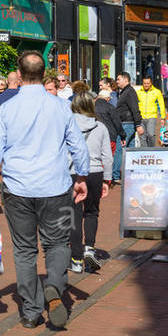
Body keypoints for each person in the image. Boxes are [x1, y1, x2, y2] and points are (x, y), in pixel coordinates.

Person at [0, 51, 90, 330]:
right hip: (55, 187)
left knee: (24, 250)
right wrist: (81, 176)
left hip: (18, 188)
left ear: (19, 75)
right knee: (56, 243)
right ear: (44, 75)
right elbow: (78, 145)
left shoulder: (7, 109)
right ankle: (54, 285)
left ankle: (31, 311)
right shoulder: (60, 107)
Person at [69, 87, 112, 275]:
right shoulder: (100, 127)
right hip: (95, 172)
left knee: (74, 215)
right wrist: (107, 179)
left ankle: (76, 259)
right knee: (92, 212)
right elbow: (107, 156)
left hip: (72, 172)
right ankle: (90, 248)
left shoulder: (68, 125)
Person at [113, 72, 144, 178]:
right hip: (127, 123)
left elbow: (135, 109)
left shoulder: (129, 92)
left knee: (119, 148)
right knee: (130, 148)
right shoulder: (124, 92)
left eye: (118, 79)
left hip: (128, 123)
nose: (117, 81)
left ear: (126, 80)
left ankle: (115, 175)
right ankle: (131, 171)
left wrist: (138, 124)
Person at [135, 74, 166, 147]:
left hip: (151, 116)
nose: (146, 85)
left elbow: (161, 104)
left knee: (151, 134)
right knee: (142, 136)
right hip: (141, 117)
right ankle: (144, 152)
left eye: (148, 83)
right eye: (144, 83)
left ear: (151, 83)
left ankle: (151, 149)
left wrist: (163, 117)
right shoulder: (138, 92)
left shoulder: (157, 92)